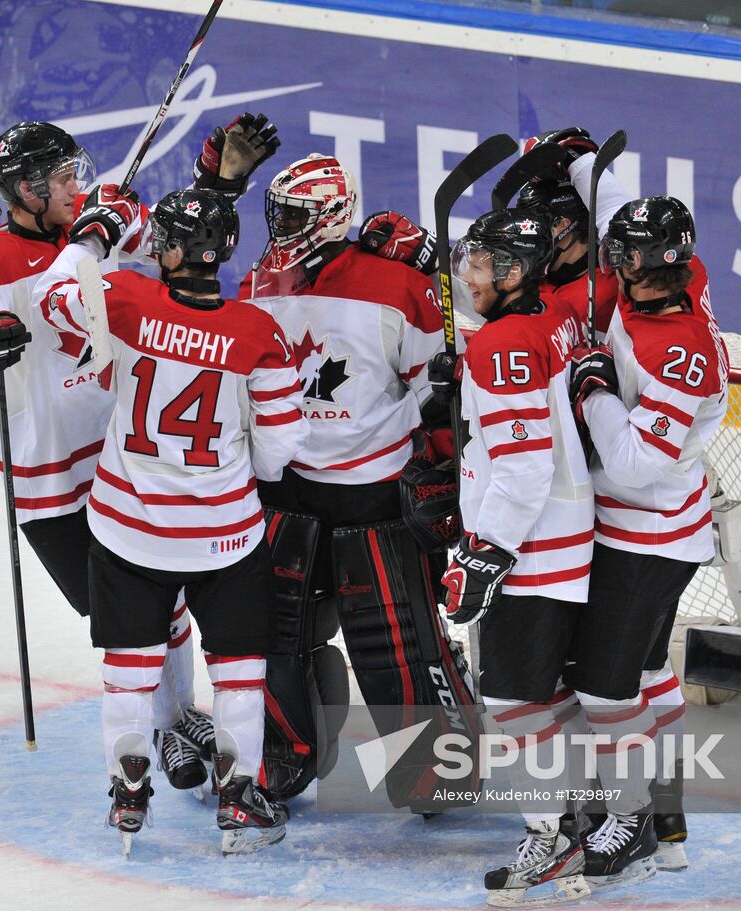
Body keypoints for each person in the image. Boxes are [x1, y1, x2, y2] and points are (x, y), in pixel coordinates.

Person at [0, 115, 280, 789]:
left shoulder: (95, 224)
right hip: (49, 477)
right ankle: (164, 725)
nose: (73, 186)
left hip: (126, 462)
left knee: (158, 602)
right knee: (128, 618)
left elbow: (183, 242)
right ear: (23, 190)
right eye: (58, 178)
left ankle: (172, 721)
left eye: (73, 173)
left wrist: (214, 182)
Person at [39, 186, 307, 855]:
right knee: (239, 672)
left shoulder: (125, 299)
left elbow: (52, 297)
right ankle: (239, 799)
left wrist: (92, 239)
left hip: (127, 528)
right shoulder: (257, 331)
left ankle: (129, 795)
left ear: (182, 250)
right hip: (223, 535)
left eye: (164, 239)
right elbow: (279, 447)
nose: (156, 247)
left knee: (129, 672)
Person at [239, 153, 474, 807]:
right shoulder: (261, 279)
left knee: (395, 643)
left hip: (375, 494)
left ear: (333, 217)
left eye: (295, 216)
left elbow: (444, 386)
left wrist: (446, 472)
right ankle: (290, 748)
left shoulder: (398, 285)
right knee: (275, 632)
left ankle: (436, 766)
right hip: (284, 489)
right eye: (277, 212)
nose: (280, 227)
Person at [565, 195, 728, 887]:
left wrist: (594, 388)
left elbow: (633, 465)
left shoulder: (681, 348)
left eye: (623, 253)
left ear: (650, 264)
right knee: (651, 671)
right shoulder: (687, 277)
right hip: (667, 527)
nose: (613, 260)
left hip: (647, 537)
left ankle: (629, 821)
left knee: (605, 685)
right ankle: (669, 820)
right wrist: (578, 167)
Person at [433, 207, 594, 905]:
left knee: (508, 697)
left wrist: (483, 553)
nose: (466, 274)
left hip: (530, 549)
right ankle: (576, 810)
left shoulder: (500, 348)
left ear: (516, 273)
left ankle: (551, 834)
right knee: (547, 692)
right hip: (565, 532)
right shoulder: (549, 316)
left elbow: (524, 464)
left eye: (479, 264)